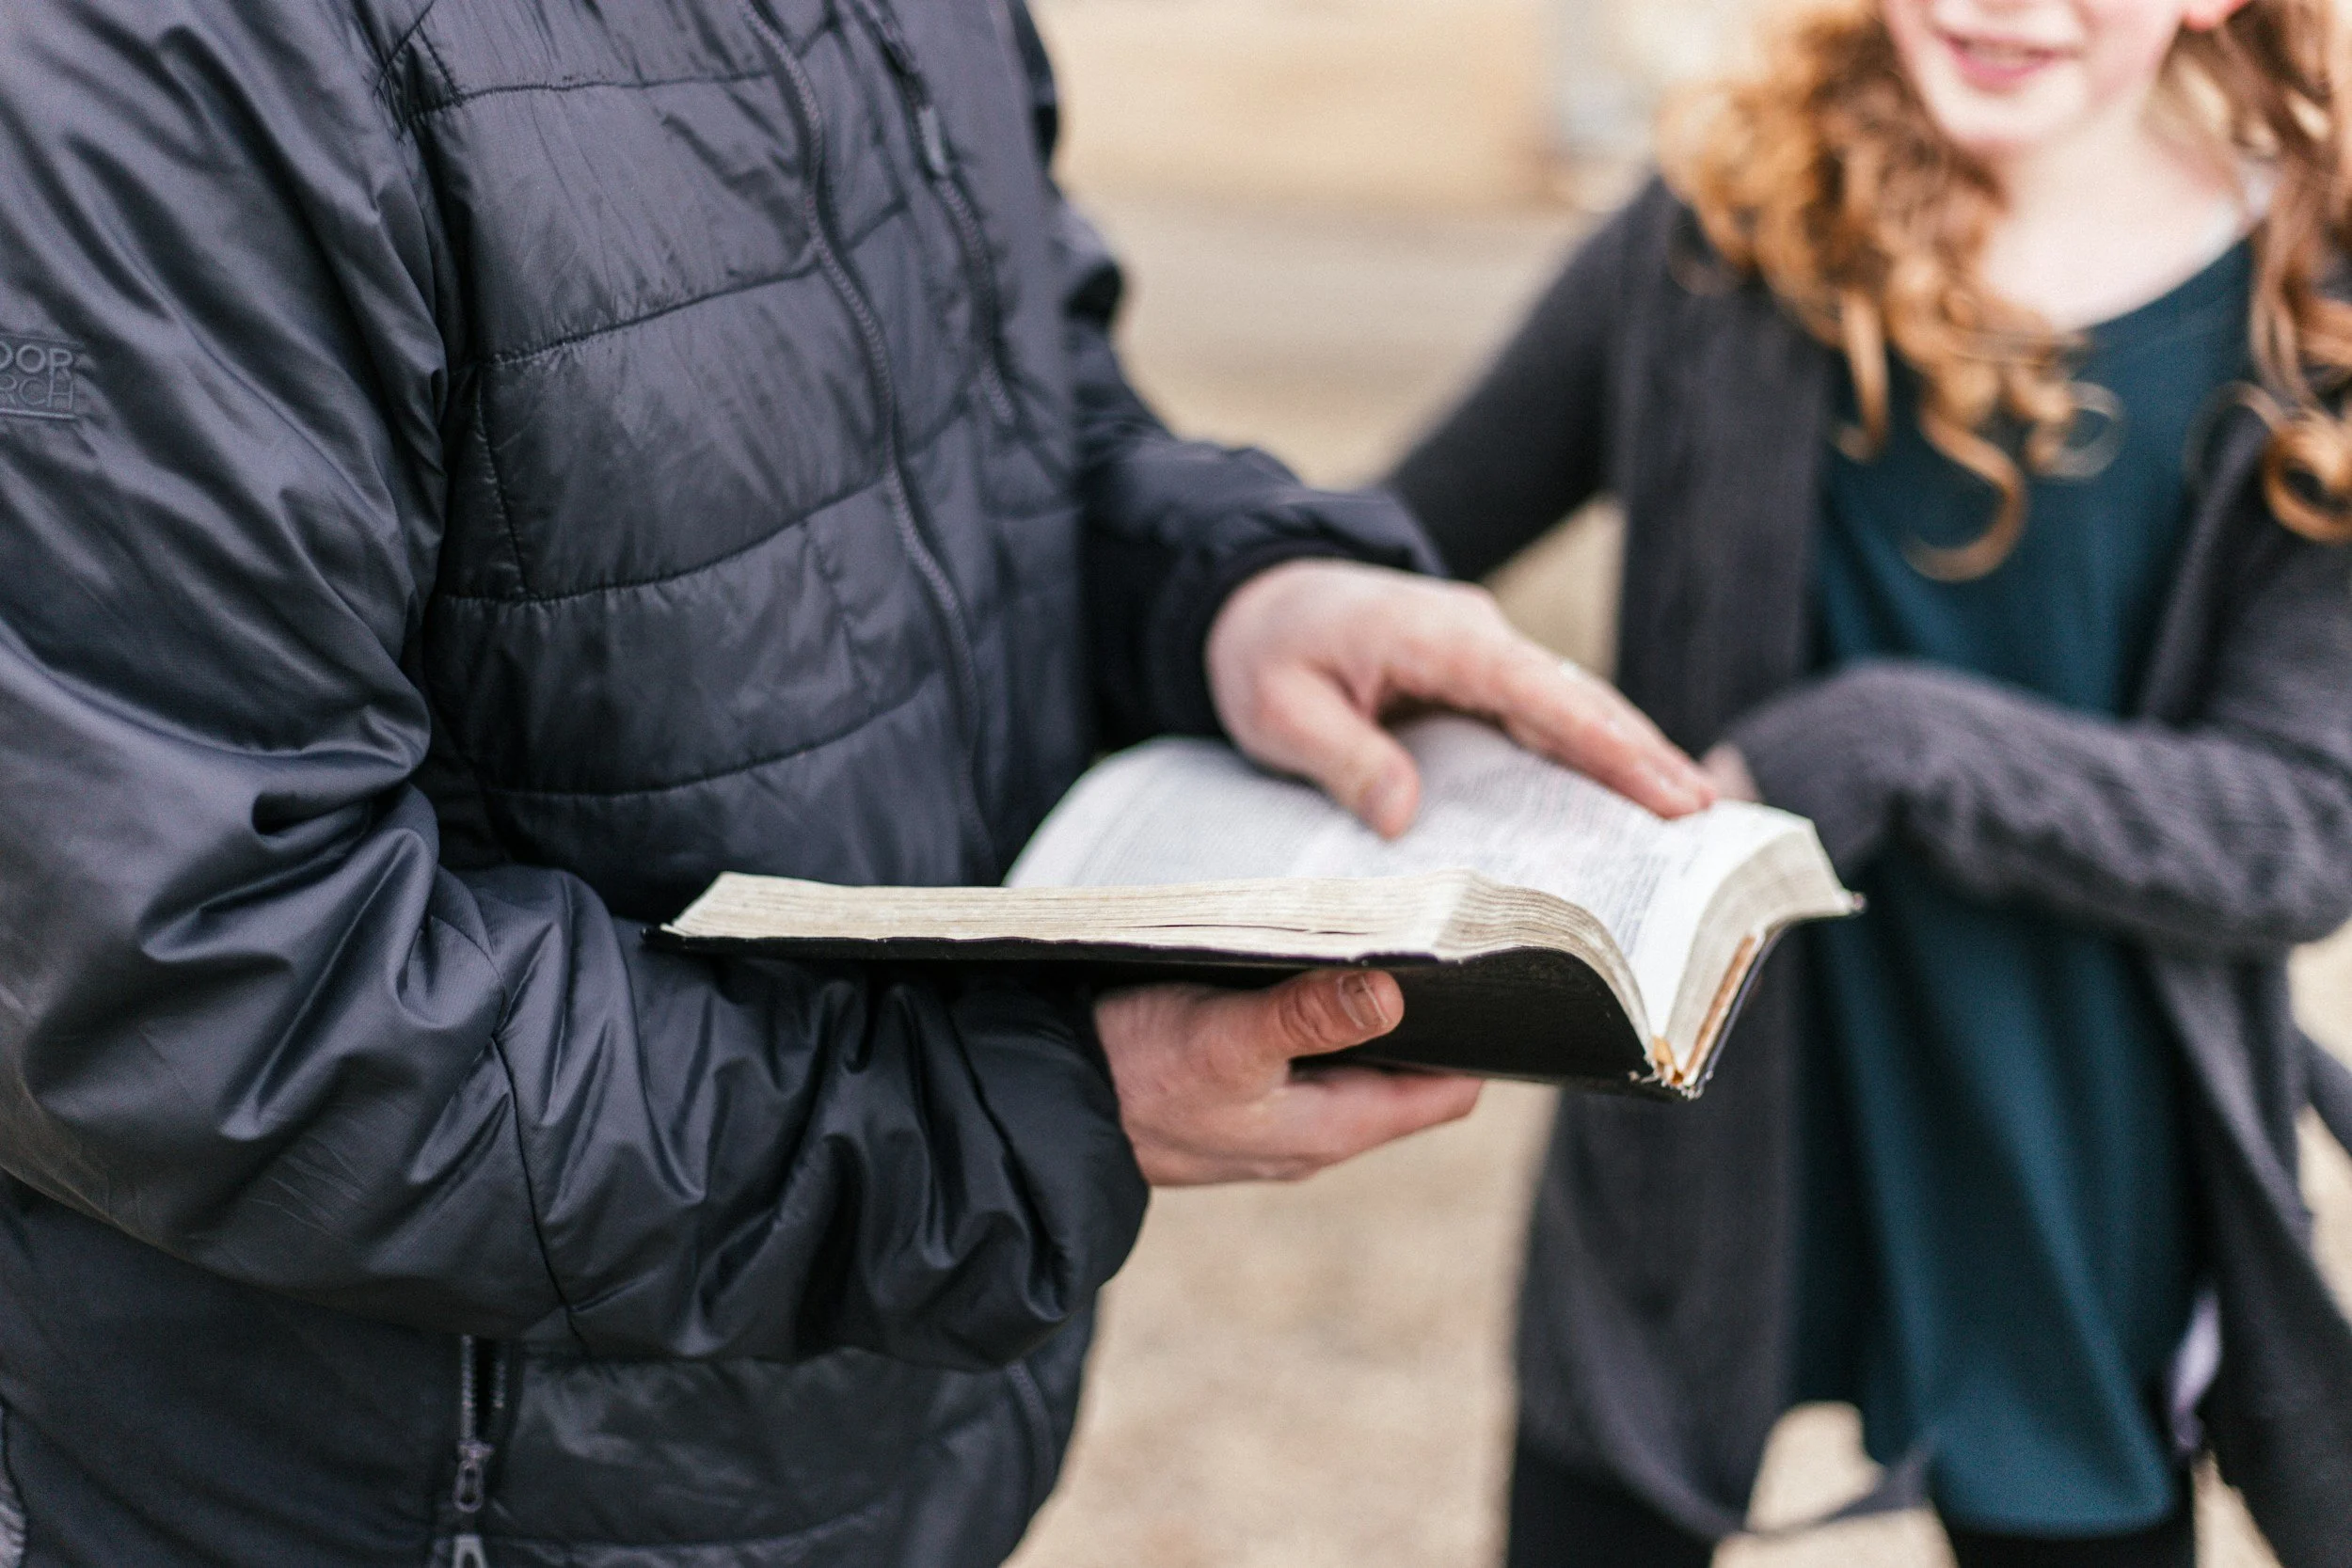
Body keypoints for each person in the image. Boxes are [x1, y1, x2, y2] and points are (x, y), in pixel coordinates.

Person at [0, 1, 1716, 1564]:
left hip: (886, 1439)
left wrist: (1230, 587)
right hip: (391, 1501)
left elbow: (1023, 397)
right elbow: (205, 988)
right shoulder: (148, 69)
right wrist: (1010, 1124)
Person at [1390, 0, 2352, 1563]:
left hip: (2069, 1158)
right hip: (1707, 1107)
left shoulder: (2312, 316)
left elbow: (2299, 828)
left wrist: (1889, 746)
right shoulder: (1731, 214)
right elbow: (1392, 550)